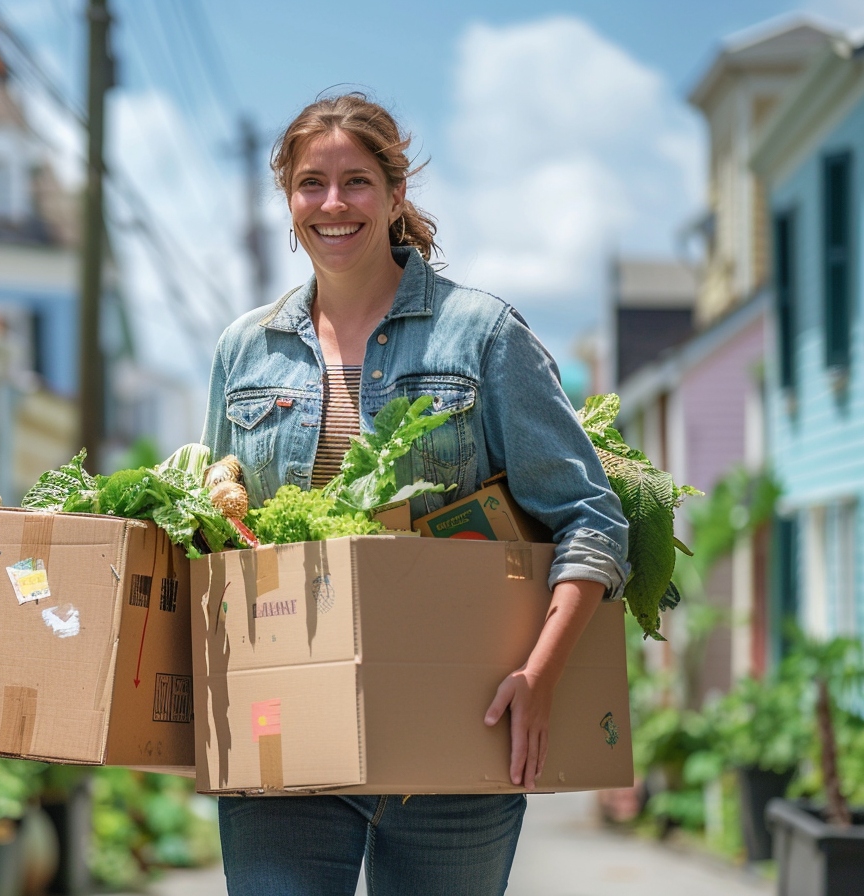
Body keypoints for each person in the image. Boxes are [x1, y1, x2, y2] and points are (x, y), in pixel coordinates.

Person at [200, 93, 630, 895]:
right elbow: (216, 541)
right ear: (287, 201)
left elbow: (591, 520)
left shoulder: (483, 334)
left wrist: (539, 679)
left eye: (357, 182)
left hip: (458, 729)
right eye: (310, 184)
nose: (334, 205)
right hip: (285, 731)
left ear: (397, 195)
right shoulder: (243, 351)